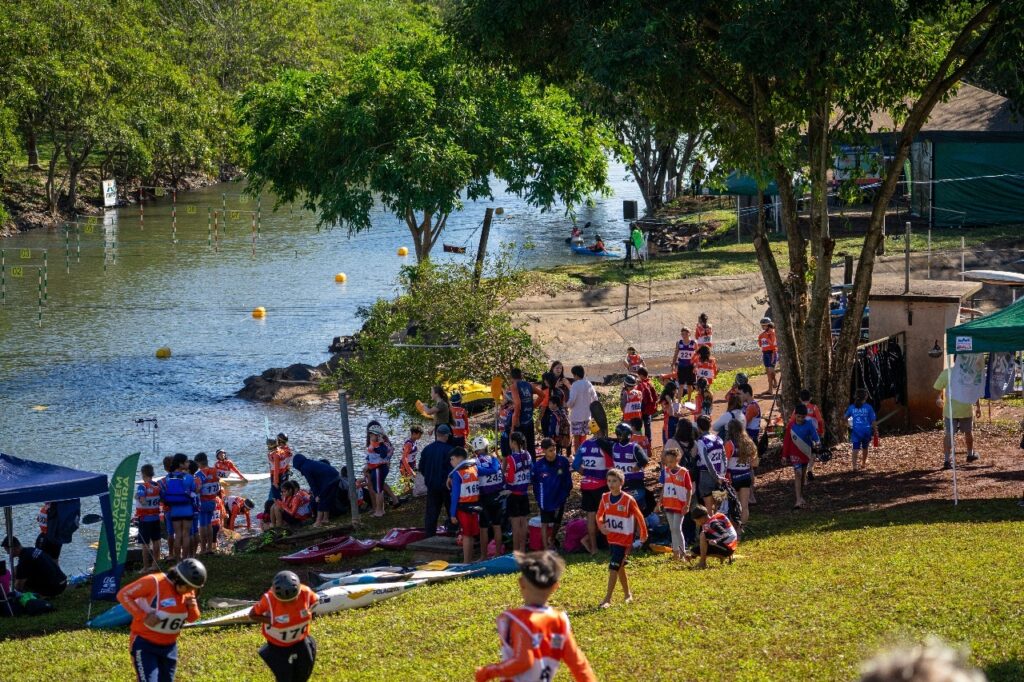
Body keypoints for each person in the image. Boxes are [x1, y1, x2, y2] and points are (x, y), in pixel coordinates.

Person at [475, 551, 596, 682]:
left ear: (521, 583)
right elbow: (578, 664)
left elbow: (523, 661)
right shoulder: (560, 621)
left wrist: (488, 671)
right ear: (555, 587)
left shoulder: (520, 620)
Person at [117, 558, 205, 682]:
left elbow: (192, 618)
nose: (191, 591)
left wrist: (193, 606)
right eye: (189, 588)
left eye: (194, 589)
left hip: (169, 648)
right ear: (177, 580)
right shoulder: (154, 582)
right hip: (144, 644)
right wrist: (143, 616)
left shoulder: (188, 590)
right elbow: (123, 594)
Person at [250, 571, 319, 682]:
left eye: (292, 600)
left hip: (300, 640)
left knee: (304, 671)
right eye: (284, 602)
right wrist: (271, 620)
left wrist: (306, 614)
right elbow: (252, 615)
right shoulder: (268, 599)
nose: (289, 604)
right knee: (284, 676)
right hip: (277, 646)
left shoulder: (306, 592)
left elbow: (315, 602)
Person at [596, 469, 647, 608]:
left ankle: (607, 599)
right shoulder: (605, 497)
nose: (611, 484)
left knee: (613, 566)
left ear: (621, 483)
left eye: (614, 481)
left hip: (624, 541)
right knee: (619, 567)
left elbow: (639, 516)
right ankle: (627, 594)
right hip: (612, 538)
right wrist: (601, 526)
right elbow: (599, 515)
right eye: (609, 481)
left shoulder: (628, 500)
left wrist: (643, 533)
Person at [572, 422, 612, 555]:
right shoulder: (604, 446)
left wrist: (587, 473)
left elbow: (576, 464)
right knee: (604, 516)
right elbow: (611, 468)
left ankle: (593, 548)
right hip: (601, 486)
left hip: (586, 485)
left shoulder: (584, 445)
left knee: (590, 516)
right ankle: (608, 544)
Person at [934, 359, 982, 469]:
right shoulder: (970, 373)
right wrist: (978, 407)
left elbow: (938, 389)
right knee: (968, 432)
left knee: (949, 434)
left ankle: (946, 460)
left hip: (950, 410)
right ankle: (970, 454)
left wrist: (938, 398)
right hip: (965, 409)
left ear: (954, 360)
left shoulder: (946, 373)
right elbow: (975, 391)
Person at [532, 438, 572, 550]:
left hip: (560, 497)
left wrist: (566, 492)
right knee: (544, 523)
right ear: (543, 450)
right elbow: (534, 482)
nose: (553, 452)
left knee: (557, 522)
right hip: (545, 499)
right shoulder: (538, 466)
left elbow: (567, 479)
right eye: (550, 450)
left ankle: (552, 539)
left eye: (554, 449)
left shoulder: (562, 461)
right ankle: (546, 548)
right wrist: (538, 497)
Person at [419, 424, 455, 537]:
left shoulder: (427, 449)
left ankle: (429, 536)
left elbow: (421, 468)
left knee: (431, 513)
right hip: (447, 486)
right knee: (451, 511)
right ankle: (453, 533)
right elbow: (454, 470)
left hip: (432, 486)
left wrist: (429, 478)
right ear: (446, 435)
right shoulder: (450, 450)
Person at [1, 536, 67, 598]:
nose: (8, 553)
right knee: (19, 572)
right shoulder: (31, 550)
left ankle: (39, 595)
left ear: (14, 548)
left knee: (19, 583)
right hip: (62, 583)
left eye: (7, 550)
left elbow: (19, 586)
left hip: (55, 588)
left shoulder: (24, 560)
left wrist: (12, 584)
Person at [782, 404, 820, 509]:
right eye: (798, 416)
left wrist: (817, 442)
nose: (800, 419)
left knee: (803, 476)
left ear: (805, 416)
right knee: (798, 474)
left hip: (805, 453)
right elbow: (786, 441)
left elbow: (815, 436)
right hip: (794, 455)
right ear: (795, 415)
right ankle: (798, 500)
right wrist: (784, 455)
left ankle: (801, 496)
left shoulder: (809, 424)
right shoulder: (791, 425)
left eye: (803, 417)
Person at [473, 436, 505, 557]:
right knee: (497, 526)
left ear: (476, 450)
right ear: (487, 447)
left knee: (483, 528)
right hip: (498, 495)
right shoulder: (495, 460)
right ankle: (497, 554)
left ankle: (483, 556)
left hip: (484, 497)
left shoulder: (475, 462)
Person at [657, 447, 693, 559]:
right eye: (667, 462)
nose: (669, 464)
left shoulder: (683, 472)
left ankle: (682, 553)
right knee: (672, 528)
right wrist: (660, 501)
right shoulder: (666, 471)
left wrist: (687, 504)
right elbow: (664, 487)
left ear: (677, 459)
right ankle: (675, 552)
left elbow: (689, 489)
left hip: (679, 505)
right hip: (668, 504)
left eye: (671, 462)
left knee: (677, 528)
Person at [160, 453, 196, 560]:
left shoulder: (168, 478)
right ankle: (185, 560)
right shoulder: (189, 477)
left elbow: (164, 492)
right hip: (187, 509)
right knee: (186, 535)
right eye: (186, 462)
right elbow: (194, 490)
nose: (188, 463)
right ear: (181, 464)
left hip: (174, 510)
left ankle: (177, 560)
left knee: (178, 535)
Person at [448, 447, 481, 562]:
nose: (451, 462)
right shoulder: (474, 468)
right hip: (475, 506)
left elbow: (455, 496)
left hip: (463, 508)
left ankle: (466, 562)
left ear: (458, 458)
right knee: (471, 534)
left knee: (466, 535)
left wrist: (452, 514)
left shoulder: (457, 474)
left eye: (452, 459)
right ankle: (470, 559)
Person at [291, 454, 341, 526]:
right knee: (327, 499)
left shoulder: (305, 468)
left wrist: (316, 495)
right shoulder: (309, 463)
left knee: (321, 499)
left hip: (329, 480)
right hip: (336, 476)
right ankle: (325, 519)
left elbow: (312, 483)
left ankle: (318, 521)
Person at [724, 419, 757, 526]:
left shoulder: (729, 444)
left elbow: (724, 463)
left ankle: (735, 528)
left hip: (732, 477)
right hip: (746, 476)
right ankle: (740, 529)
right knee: (745, 506)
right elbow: (755, 463)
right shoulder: (749, 443)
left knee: (734, 506)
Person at [504, 431, 533, 553]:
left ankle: (516, 551)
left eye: (510, 441)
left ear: (514, 443)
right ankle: (523, 548)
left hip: (514, 494)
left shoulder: (511, 459)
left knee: (515, 525)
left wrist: (503, 474)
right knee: (524, 523)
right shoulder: (527, 455)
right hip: (524, 493)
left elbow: (510, 479)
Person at [611, 423, 649, 509]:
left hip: (626, 481)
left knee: (627, 506)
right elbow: (645, 459)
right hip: (630, 481)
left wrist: (638, 466)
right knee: (636, 507)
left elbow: (644, 460)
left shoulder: (614, 446)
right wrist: (638, 466)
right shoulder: (634, 447)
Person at [689, 504, 738, 568]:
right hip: (728, 546)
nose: (697, 523)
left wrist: (716, 541)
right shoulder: (714, 518)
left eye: (696, 521)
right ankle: (723, 556)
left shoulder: (713, 524)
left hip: (728, 548)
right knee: (694, 551)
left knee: (703, 534)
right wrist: (692, 556)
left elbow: (726, 535)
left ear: (702, 518)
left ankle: (702, 563)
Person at [366, 424, 399, 517]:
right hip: (377, 468)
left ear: (378, 436)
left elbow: (383, 454)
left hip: (379, 469)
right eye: (370, 434)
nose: (370, 436)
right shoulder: (378, 444)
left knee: (378, 490)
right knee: (378, 488)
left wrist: (380, 444)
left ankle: (379, 511)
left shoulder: (381, 445)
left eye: (372, 434)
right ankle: (381, 510)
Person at [695, 415, 727, 510]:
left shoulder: (701, 441)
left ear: (698, 427)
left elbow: (706, 461)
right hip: (720, 477)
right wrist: (721, 475)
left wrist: (716, 477)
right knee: (720, 508)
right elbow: (724, 458)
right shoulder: (718, 439)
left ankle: (711, 524)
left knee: (709, 509)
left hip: (706, 477)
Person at [136, 463, 163, 573]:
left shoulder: (142, 487)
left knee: (145, 544)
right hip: (155, 518)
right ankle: (155, 564)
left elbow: (142, 500)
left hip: (144, 519)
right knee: (156, 541)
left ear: (143, 474)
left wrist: (137, 497)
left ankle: (145, 567)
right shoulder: (158, 486)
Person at [846, 388, 880, 471]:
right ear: (866, 397)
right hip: (866, 431)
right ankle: (863, 463)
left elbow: (845, 418)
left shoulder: (851, 407)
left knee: (855, 448)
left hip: (856, 431)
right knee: (865, 448)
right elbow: (873, 421)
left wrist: (848, 425)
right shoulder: (869, 407)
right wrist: (875, 430)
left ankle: (854, 466)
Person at [193, 452, 220, 556]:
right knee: (209, 524)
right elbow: (217, 486)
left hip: (203, 502)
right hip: (212, 501)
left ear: (199, 463)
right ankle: (210, 548)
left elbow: (198, 489)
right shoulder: (215, 471)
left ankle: (203, 549)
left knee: (202, 525)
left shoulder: (199, 474)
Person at [510, 367, 541, 456]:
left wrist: (515, 420)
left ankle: (521, 465)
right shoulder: (529, 385)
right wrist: (533, 406)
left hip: (520, 421)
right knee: (530, 445)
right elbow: (542, 395)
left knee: (519, 445)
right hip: (529, 419)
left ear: (511, 378)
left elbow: (518, 403)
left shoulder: (514, 386)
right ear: (521, 376)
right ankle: (532, 465)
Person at [567, 365, 599, 448]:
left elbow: (572, 401)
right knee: (584, 435)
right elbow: (595, 398)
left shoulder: (575, 385)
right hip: (587, 415)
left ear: (576, 375)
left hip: (577, 416)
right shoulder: (588, 383)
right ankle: (584, 453)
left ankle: (578, 455)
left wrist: (567, 405)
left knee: (576, 437)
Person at [400, 425, 425, 496]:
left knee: (411, 484)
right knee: (406, 484)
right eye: (419, 434)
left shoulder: (414, 442)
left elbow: (412, 456)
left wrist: (415, 466)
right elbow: (404, 458)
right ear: (414, 433)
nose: (420, 436)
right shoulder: (408, 444)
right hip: (405, 466)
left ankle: (409, 495)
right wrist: (410, 471)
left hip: (411, 464)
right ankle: (404, 497)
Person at [672, 327, 697, 397]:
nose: (684, 335)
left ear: (689, 334)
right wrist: (673, 364)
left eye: (685, 334)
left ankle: (689, 399)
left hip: (690, 366)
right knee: (681, 385)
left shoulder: (694, 343)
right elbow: (676, 354)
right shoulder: (679, 343)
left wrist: (696, 365)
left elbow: (697, 355)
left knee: (689, 385)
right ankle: (679, 402)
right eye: (682, 334)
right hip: (681, 366)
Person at [636, 367, 658, 442]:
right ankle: (648, 441)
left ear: (641, 375)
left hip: (642, 408)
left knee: (638, 426)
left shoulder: (641, 385)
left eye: (638, 375)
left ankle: (640, 442)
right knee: (647, 425)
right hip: (649, 408)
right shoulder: (650, 382)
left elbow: (637, 396)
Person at [758, 317, 779, 394]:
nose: (762, 327)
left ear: (768, 325)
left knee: (771, 371)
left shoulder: (772, 333)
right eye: (762, 325)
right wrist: (760, 339)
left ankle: (774, 384)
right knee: (768, 371)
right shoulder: (762, 334)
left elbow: (773, 344)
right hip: (765, 353)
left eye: (763, 325)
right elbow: (761, 345)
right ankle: (770, 388)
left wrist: (766, 337)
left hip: (772, 353)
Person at [268, 437, 292, 501]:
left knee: (276, 496)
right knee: (282, 492)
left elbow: (276, 469)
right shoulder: (282, 451)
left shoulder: (275, 455)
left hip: (276, 476)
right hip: (283, 474)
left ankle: (277, 506)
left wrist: (275, 482)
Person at [659, 381, 681, 449]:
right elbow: (670, 413)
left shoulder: (674, 398)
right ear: (672, 390)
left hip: (675, 422)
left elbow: (676, 410)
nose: (677, 391)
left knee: (675, 441)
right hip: (669, 424)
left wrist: (678, 412)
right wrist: (670, 403)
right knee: (668, 444)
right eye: (675, 389)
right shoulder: (665, 401)